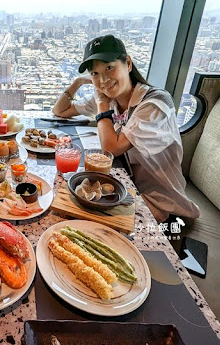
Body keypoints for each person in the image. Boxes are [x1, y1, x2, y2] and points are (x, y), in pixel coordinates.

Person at [54, 34, 200, 223]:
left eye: (109, 67)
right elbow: (60, 110)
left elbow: (110, 149)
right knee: (65, 204)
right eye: (95, 73)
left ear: (128, 64)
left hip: (160, 202)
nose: (103, 79)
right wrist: (78, 83)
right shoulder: (109, 97)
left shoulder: (154, 103)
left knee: (74, 216)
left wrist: (101, 106)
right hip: (122, 188)